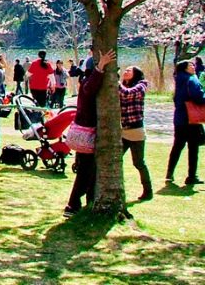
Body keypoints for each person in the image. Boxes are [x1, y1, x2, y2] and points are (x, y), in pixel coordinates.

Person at [64, 49, 116, 217]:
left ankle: (89, 200)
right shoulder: (87, 83)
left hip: (84, 134)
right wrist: (101, 67)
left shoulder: (86, 81)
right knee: (85, 171)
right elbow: (90, 87)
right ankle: (72, 205)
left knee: (90, 170)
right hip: (86, 135)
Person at [165, 59, 205, 185]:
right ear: (185, 68)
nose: (193, 67)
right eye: (191, 65)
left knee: (177, 146)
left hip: (179, 119)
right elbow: (198, 97)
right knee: (193, 148)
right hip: (192, 118)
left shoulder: (179, 80)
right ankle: (192, 176)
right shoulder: (192, 79)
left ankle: (169, 173)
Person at [119, 65, 152, 201]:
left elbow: (128, 94)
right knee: (116, 158)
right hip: (123, 130)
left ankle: (148, 191)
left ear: (136, 74)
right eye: (125, 70)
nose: (126, 72)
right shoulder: (122, 86)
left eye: (129, 70)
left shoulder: (141, 86)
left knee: (138, 162)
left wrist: (116, 83)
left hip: (136, 130)